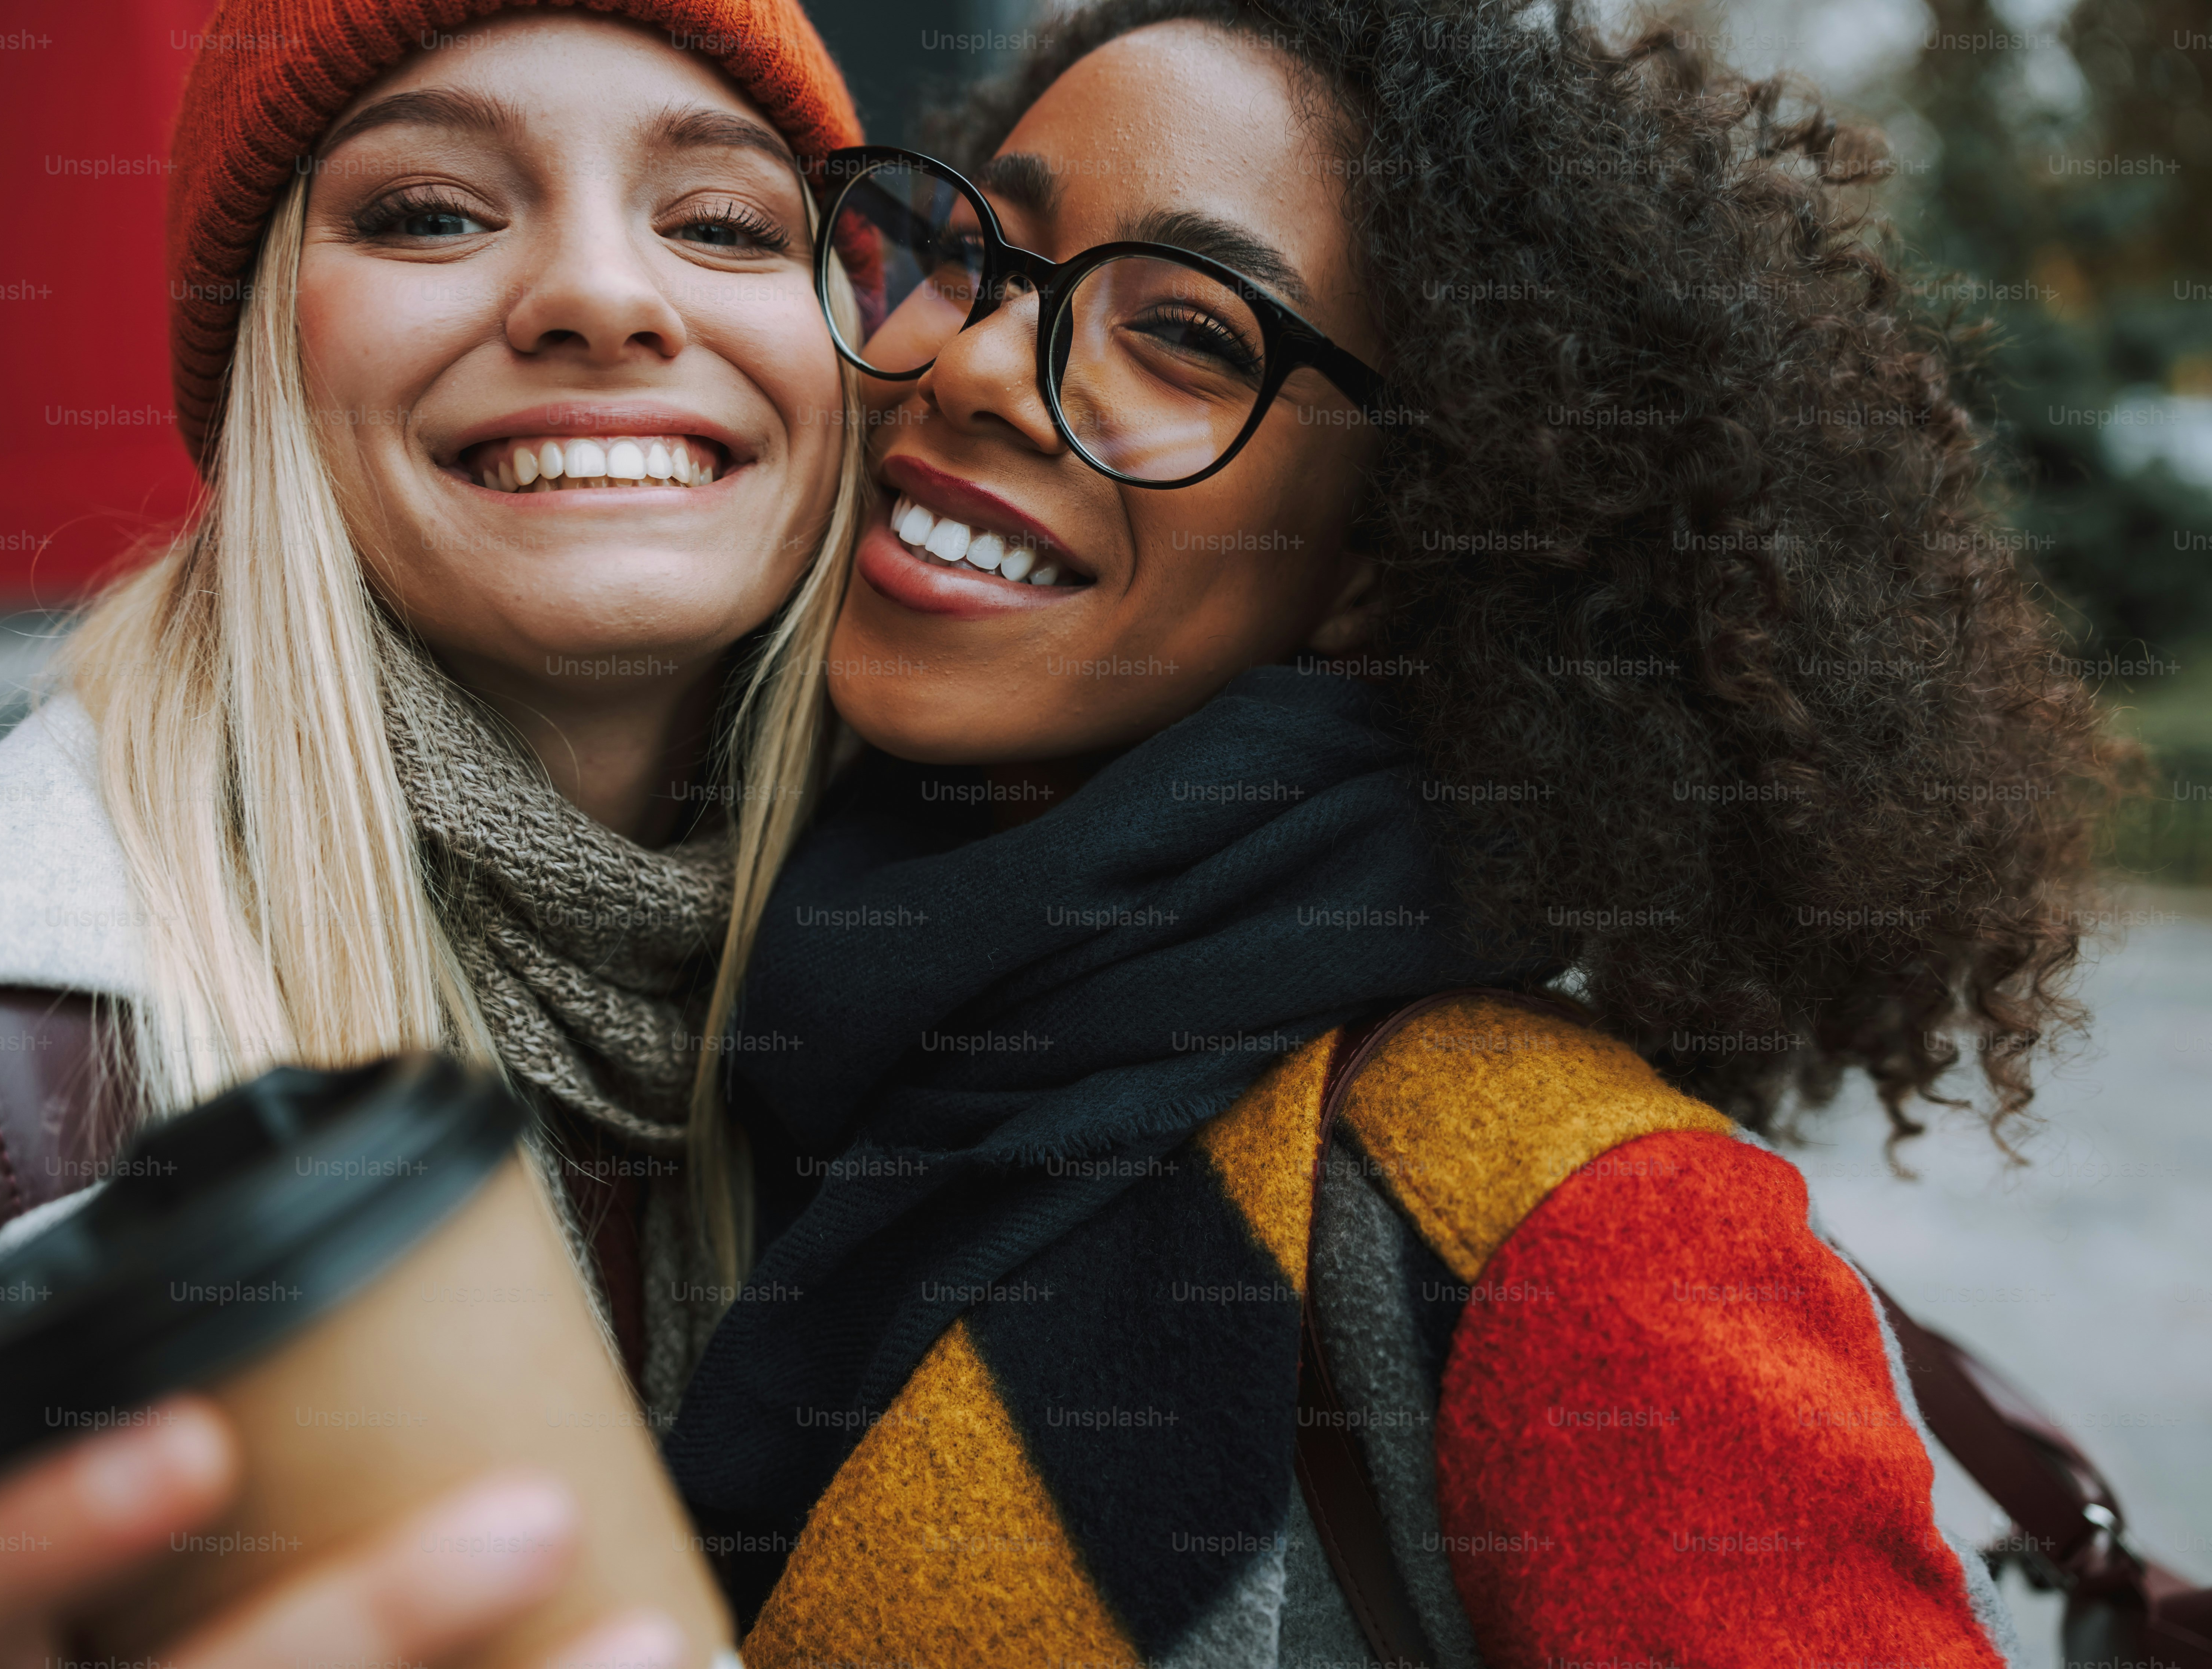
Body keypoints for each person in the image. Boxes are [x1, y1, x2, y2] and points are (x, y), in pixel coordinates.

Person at [658, 1, 2123, 1665]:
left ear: (1384, 551)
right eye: (984, 253)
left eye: (1191, 336)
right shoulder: (766, 1020)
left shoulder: (1584, 1231)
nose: (980, 362)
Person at [0, 4, 865, 1666]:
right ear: (265, 345)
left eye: (725, 225)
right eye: (430, 213)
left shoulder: (966, 991)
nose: (608, 297)